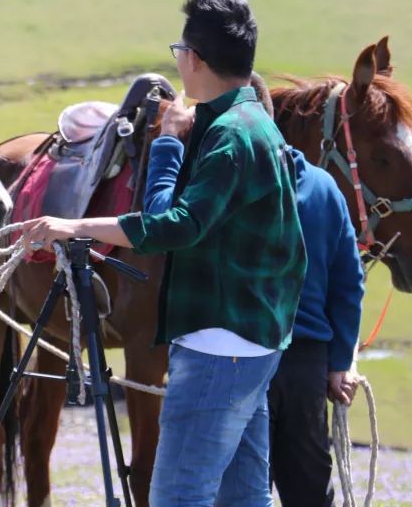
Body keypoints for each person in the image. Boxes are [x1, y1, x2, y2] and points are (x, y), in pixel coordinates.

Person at [19, 0, 307, 507]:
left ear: (193, 59)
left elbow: (168, 225)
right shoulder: (255, 125)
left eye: (180, 51)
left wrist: (75, 225)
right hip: (256, 344)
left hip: (218, 351)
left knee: (177, 497)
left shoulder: (229, 137)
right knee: (244, 498)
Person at [143, 86, 366, 505]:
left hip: (241, 351)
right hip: (305, 363)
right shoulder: (324, 187)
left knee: (238, 485)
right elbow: (349, 282)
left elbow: (165, 227)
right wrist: (339, 362)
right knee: (308, 486)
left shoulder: (224, 185)